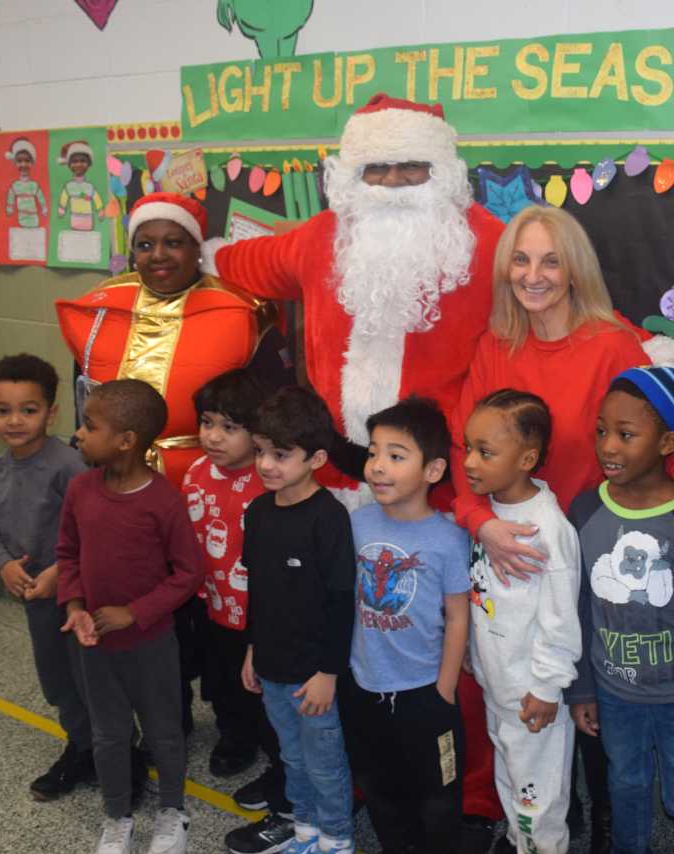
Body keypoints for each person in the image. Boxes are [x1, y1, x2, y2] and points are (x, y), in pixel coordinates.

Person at [204, 94, 509, 843]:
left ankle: (467, 797)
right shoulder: (320, 239)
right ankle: (354, 783)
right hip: (333, 482)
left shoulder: (490, 243)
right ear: (351, 174)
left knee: (441, 643)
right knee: (344, 637)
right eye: (380, 167)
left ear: (443, 170)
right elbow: (241, 263)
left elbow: (567, 285)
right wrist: (186, 227)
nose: (397, 181)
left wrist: (649, 352)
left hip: (438, 489)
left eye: (413, 167)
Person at [448, 205, 674, 851]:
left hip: (601, 549)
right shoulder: (493, 348)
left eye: (550, 259)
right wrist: (480, 525)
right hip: (514, 552)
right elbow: (459, 451)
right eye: (521, 260)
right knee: (523, 693)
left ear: (575, 268)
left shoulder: (612, 344)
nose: (534, 275)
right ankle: (540, 816)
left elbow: (669, 432)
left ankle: (604, 821)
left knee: (595, 693)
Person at [57, 190, 285, 763]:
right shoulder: (102, 311)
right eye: (145, 244)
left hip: (212, 487)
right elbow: (89, 403)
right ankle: (169, 718)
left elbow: (270, 405)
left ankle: (237, 728)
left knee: (215, 615)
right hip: (126, 492)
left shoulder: (239, 310)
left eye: (173, 242)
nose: (159, 255)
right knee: (145, 609)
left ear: (196, 248)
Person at [566, 367, 674, 854]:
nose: (608, 446)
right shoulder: (585, 508)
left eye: (626, 435)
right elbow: (580, 603)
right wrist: (582, 688)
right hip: (615, 694)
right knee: (625, 789)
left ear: (668, 442)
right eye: (601, 432)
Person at [56, 379, 205, 854]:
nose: (78, 434)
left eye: (89, 425)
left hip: (151, 645)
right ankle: (117, 816)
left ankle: (173, 811)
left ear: (126, 441)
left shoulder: (162, 500)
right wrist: (76, 607)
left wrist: (133, 614)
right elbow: (69, 554)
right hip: (95, 648)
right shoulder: (80, 489)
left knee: (164, 732)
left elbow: (188, 574)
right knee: (109, 734)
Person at [341, 397, 472, 854]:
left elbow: (458, 616)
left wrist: (445, 689)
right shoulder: (356, 523)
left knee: (439, 796)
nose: (377, 466)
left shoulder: (450, 538)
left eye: (396, 456)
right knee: (378, 787)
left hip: (424, 693)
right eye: (373, 452)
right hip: (364, 687)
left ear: (433, 471)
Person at [179, 369, 297, 854]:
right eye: (207, 423)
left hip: (258, 615)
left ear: (259, 432)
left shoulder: (271, 484)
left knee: (268, 699)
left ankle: (279, 770)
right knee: (225, 684)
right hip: (211, 605)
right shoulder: (193, 475)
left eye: (230, 427)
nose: (213, 437)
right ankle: (235, 739)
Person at [463, 390, 581, 854]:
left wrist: (548, 686)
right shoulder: (489, 514)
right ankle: (518, 842)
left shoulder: (548, 528)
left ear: (527, 458)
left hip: (533, 693)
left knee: (539, 797)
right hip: (499, 682)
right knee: (512, 778)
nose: (470, 461)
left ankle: (539, 847)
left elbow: (560, 618)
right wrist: (477, 656)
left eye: (485, 452)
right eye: (468, 447)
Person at [241, 386, 357, 854]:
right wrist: (252, 649)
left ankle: (337, 839)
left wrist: (327, 673)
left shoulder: (328, 519)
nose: (266, 464)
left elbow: (341, 602)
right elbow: (260, 591)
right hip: (271, 667)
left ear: (316, 458)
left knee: (325, 763)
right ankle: (306, 831)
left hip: (313, 676)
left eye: (281, 454)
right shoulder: (258, 512)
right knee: (292, 757)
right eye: (261, 451)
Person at [0, 354, 92, 801]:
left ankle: (115, 753)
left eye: (29, 409)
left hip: (81, 597)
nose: (15, 421)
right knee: (59, 681)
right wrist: (2, 563)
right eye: (2, 410)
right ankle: (81, 746)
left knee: (91, 679)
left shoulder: (68, 466)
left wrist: (60, 573)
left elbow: (94, 531)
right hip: (38, 603)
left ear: (52, 412)